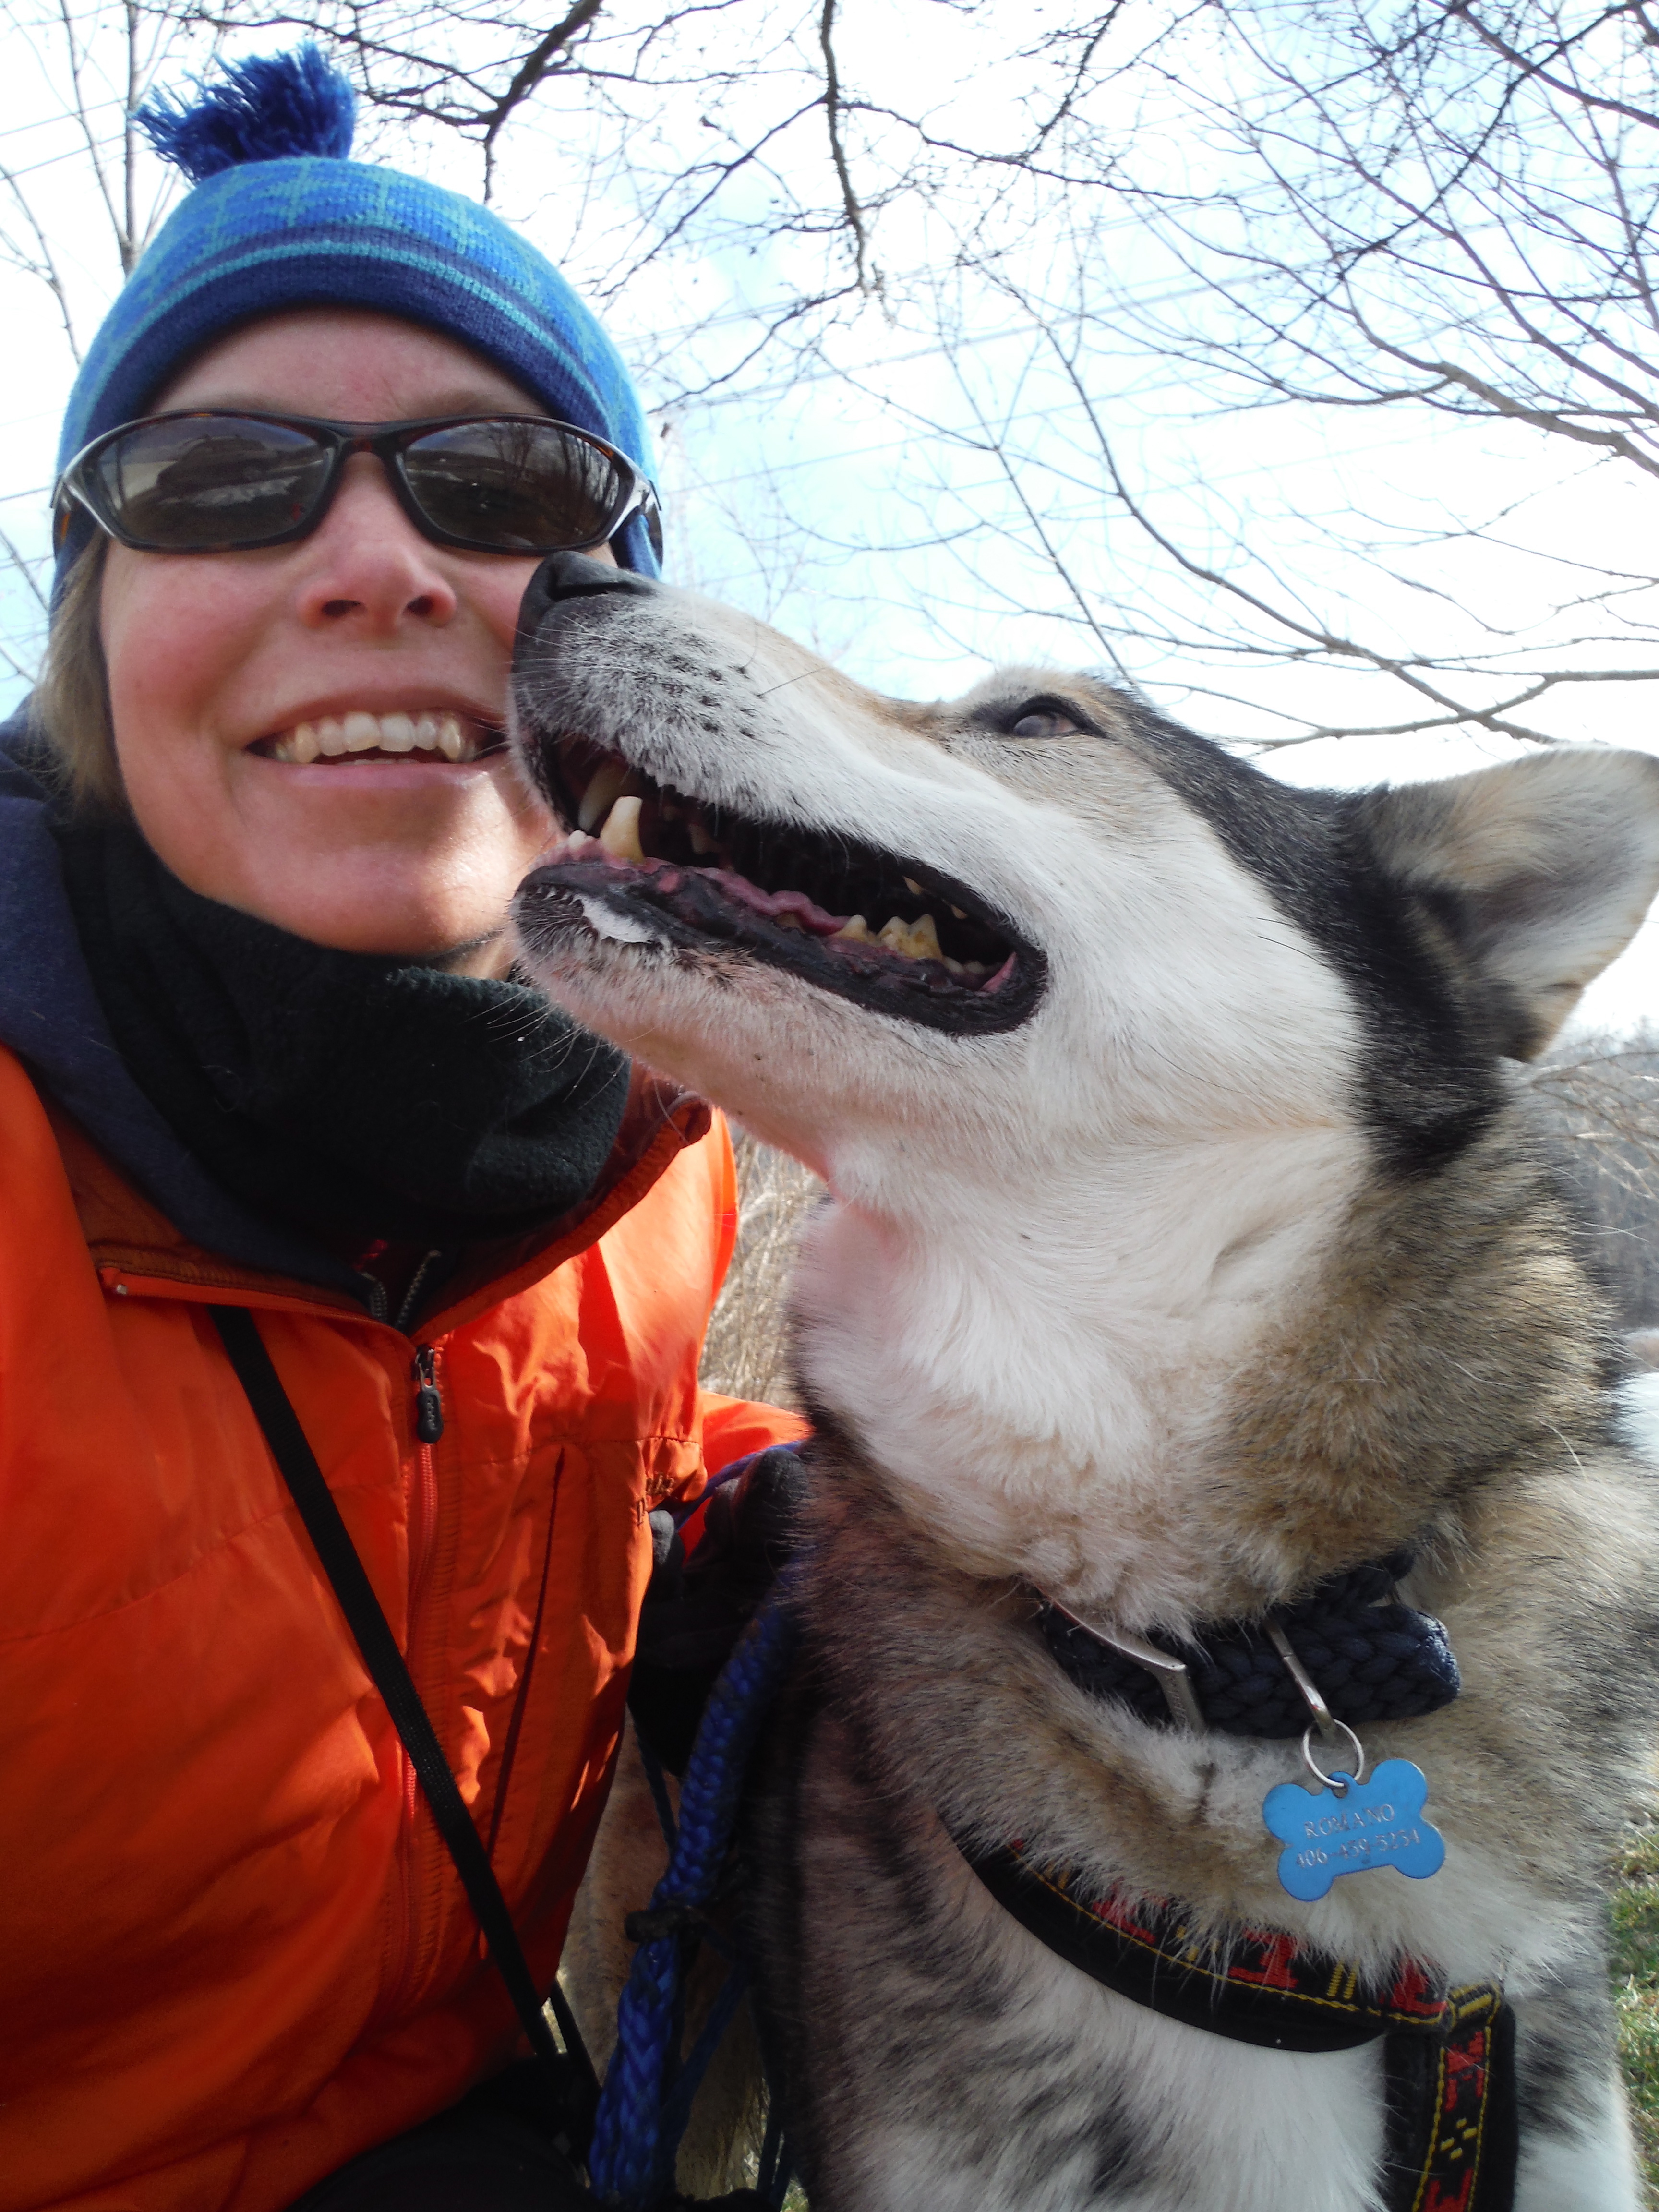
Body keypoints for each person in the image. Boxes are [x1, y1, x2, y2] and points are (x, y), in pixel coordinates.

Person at [0, 47, 805, 2212]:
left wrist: (806, 1510)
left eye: (506, 485)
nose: (376, 562)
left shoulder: (657, 1147)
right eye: (217, 479)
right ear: (88, 633)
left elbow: (587, 1456)